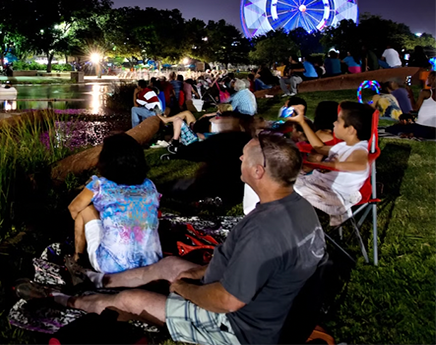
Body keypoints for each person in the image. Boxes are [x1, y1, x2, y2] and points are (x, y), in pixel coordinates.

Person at [21, 134, 325, 345]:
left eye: (243, 157)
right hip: (244, 292)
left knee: (132, 300)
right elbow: (256, 267)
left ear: (258, 171)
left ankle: (61, 299)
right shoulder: (297, 207)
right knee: (166, 265)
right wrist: (198, 271)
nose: (239, 159)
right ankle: (96, 279)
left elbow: (228, 301)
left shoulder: (264, 231)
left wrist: (184, 288)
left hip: (239, 328)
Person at [66, 134, 162, 274]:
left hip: (111, 265)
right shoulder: (149, 185)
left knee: (85, 210)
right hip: (151, 263)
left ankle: (77, 259)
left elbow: (73, 208)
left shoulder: (99, 185)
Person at [288, 103, 372, 226]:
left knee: (281, 188)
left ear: (350, 130)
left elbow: (360, 165)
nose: (334, 124)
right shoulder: (347, 146)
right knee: (279, 180)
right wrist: (303, 122)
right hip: (322, 185)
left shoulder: (359, 150)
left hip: (336, 195)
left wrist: (329, 165)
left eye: (338, 121)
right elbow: (320, 147)